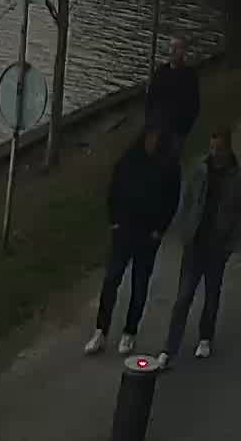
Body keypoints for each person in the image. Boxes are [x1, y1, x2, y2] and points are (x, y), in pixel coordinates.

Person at [88, 125, 180, 355]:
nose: (153, 143)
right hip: (124, 231)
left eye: (158, 139)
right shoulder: (128, 161)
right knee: (111, 281)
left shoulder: (169, 167)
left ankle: (130, 332)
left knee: (139, 285)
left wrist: (160, 229)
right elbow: (114, 190)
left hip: (148, 236)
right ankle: (101, 330)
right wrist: (114, 220)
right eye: (150, 138)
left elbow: (172, 200)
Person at [162, 123, 241, 363]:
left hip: (217, 247)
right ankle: (169, 348)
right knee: (183, 297)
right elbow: (186, 201)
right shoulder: (199, 170)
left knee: (211, 295)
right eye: (212, 148)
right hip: (195, 243)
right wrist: (184, 231)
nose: (215, 153)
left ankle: (205, 337)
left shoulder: (236, 178)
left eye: (219, 149)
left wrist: (231, 245)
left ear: (227, 150)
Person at [145, 37, 203, 161]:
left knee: (170, 163)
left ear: (184, 52)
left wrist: (182, 131)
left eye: (177, 48)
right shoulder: (160, 72)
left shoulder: (189, 76)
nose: (173, 51)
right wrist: (150, 127)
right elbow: (150, 100)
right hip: (157, 130)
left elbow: (194, 106)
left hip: (177, 132)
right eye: (171, 47)